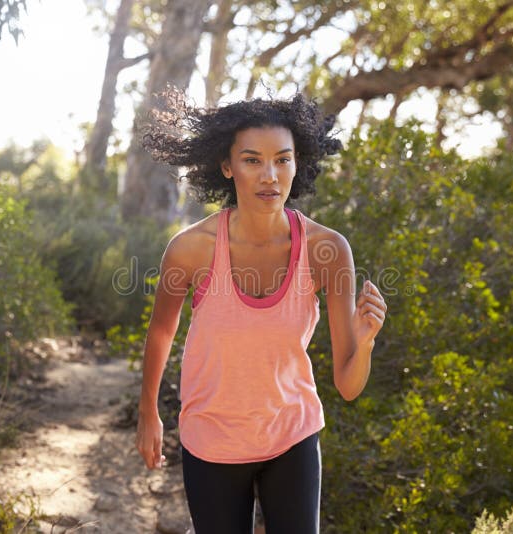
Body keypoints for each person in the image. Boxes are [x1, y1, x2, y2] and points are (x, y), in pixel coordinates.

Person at [134, 88, 388, 534]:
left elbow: (348, 386)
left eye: (282, 159)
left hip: (292, 436)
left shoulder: (327, 250)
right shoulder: (191, 249)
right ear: (227, 166)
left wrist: (365, 341)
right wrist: (148, 412)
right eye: (252, 160)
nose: (270, 175)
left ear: (298, 164)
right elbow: (161, 333)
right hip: (212, 439)